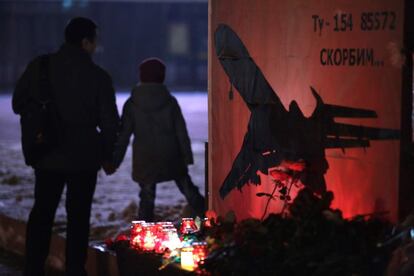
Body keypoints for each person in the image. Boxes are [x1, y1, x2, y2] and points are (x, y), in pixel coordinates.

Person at [12, 17, 119, 276]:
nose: (96, 46)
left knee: (42, 213)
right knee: (78, 217)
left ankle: (33, 268)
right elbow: (109, 124)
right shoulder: (98, 77)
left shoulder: (40, 66)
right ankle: (74, 269)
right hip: (84, 159)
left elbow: (17, 103)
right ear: (85, 42)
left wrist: (41, 118)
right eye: (95, 41)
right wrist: (108, 156)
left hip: (46, 153)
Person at [113, 57, 205, 221]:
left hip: (145, 157)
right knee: (188, 189)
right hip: (171, 154)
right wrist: (187, 157)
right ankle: (209, 217)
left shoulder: (132, 103)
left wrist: (115, 160)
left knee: (147, 197)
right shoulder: (170, 101)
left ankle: (145, 231)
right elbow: (181, 132)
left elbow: (124, 135)